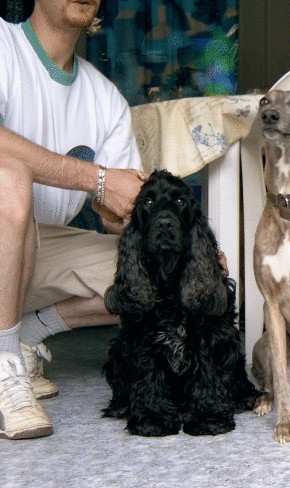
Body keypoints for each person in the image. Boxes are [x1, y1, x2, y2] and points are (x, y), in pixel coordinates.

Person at [0, 0, 146, 440]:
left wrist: (128, 208)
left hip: (34, 251)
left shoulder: (106, 100)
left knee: (169, 271)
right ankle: (4, 366)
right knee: (8, 176)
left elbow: (119, 216)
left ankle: (24, 334)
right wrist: (97, 179)